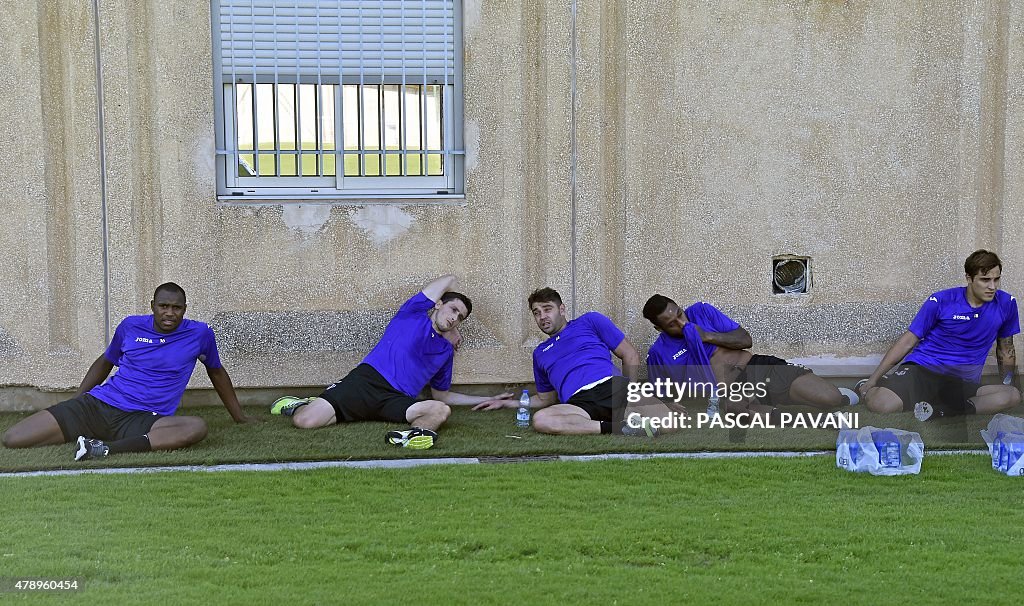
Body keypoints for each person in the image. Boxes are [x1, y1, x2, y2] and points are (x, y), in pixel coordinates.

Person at [1, 283, 256, 460]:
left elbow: (217, 372)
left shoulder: (200, 334)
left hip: (145, 418)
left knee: (196, 427)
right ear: (152, 305)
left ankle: (103, 448)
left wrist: (239, 416)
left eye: (176, 308)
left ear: (185, 309)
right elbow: (105, 361)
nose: (169, 313)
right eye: (163, 306)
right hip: (99, 406)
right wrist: (79, 398)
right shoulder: (130, 326)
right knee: (14, 438)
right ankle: (87, 434)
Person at [269, 275, 513, 449]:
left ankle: (413, 436)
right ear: (437, 304)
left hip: (395, 399)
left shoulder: (445, 352)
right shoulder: (412, 314)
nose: (454, 318)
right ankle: (301, 405)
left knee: (440, 410)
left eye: (460, 317)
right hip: (366, 381)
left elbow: (443, 397)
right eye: (452, 309)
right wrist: (454, 278)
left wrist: (486, 398)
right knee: (305, 421)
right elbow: (444, 281)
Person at [475, 287, 683, 436]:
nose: (542, 317)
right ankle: (619, 427)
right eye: (536, 313)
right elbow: (545, 400)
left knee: (672, 423)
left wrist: (632, 393)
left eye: (548, 309)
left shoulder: (590, 321)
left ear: (562, 309)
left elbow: (630, 355)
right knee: (542, 420)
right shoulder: (540, 353)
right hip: (579, 402)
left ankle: (628, 416)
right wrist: (507, 403)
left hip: (613, 388)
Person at [858, 250, 1020, 420]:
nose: (992, 286)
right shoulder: (942, 300)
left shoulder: (1006, 304)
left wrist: (1007, 383)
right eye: (985, 280)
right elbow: (907, 341)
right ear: (969, 278)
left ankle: (942, 411)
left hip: (961, 382)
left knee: (1012, 396)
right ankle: (881, 384)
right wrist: (872, 380)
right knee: (882, 405)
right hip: (923, 370)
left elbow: (1006, 347)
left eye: (996, 279)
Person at [642, 294, 857, 414]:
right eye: (672, 324)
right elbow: (662, 394)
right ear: (659, 329)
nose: (681, 323)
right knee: (735, 408)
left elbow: (745, 340)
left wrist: (706, 336)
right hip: (730, 394)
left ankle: (840, 394)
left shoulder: (701, 312)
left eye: (679, 314)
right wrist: (669, 404)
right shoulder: (659, 353)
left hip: (757, 368)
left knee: (831, 398)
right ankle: (785, 412)